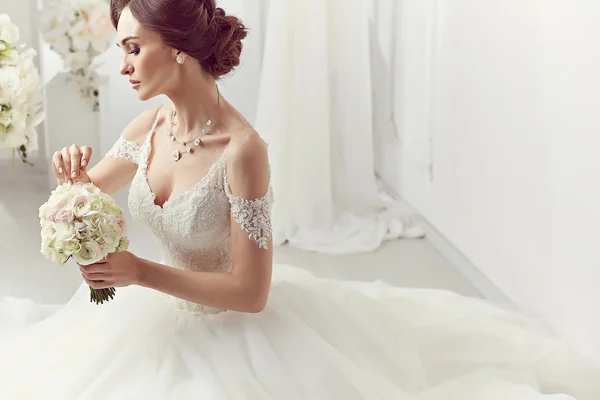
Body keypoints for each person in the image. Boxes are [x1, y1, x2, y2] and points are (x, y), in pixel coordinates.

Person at [0, 0, 598, 398]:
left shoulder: (243, 151)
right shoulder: (146, 129)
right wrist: (70, 172)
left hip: (228, 334)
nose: (123, 65)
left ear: (178, 48)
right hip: (146, 322)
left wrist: (140, 272)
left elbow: (252, 293)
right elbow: (77, 199)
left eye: (133, 48)